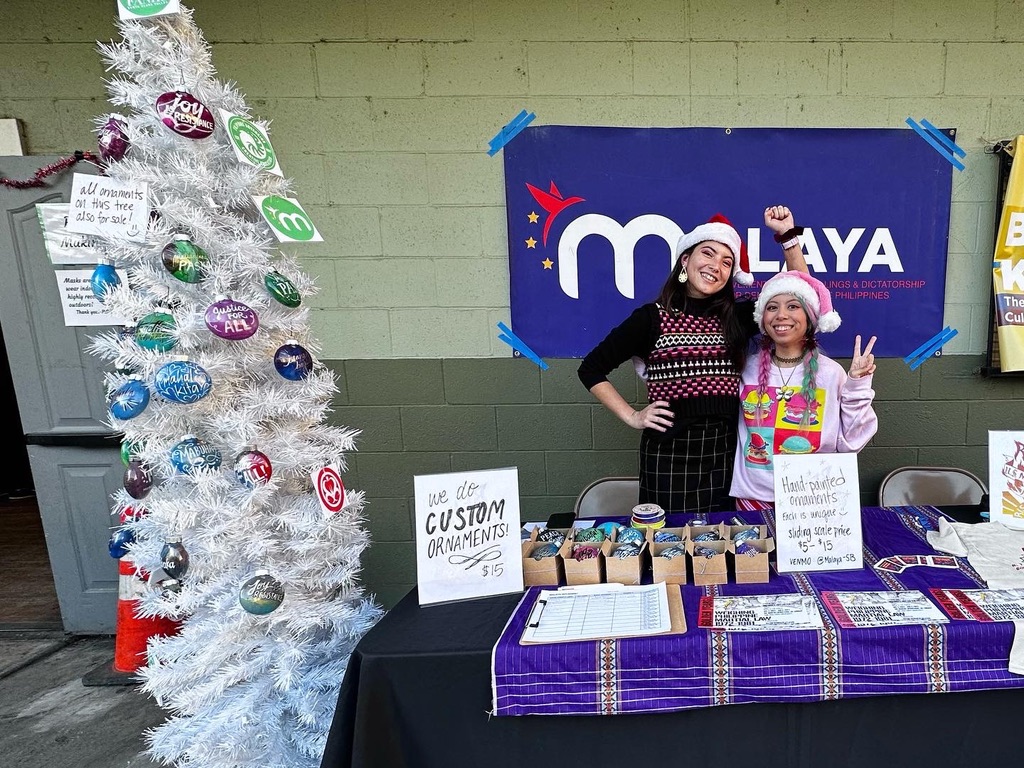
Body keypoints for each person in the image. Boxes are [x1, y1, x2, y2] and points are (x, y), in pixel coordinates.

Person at [577, 205, 808, 515]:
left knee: (720, 550)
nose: (716, 266)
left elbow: (801, 293)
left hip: (725, 456)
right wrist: (632, 416)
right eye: (708, 254)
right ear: (685, 259)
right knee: (668, 551)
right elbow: (591, 369)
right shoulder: (650, 319)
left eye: (727, 262)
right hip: (667, 459)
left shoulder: (737, 317)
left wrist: (787, 237)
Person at [729, 270, 878, 510]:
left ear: (809, 318)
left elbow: (852, 442)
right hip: (753, 499)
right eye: (772, 307)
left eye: (793, 306)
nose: (781, 315)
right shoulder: (745, 368)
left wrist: (857, 386)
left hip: (813, 498)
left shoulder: (831, 373)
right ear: (762, 318)